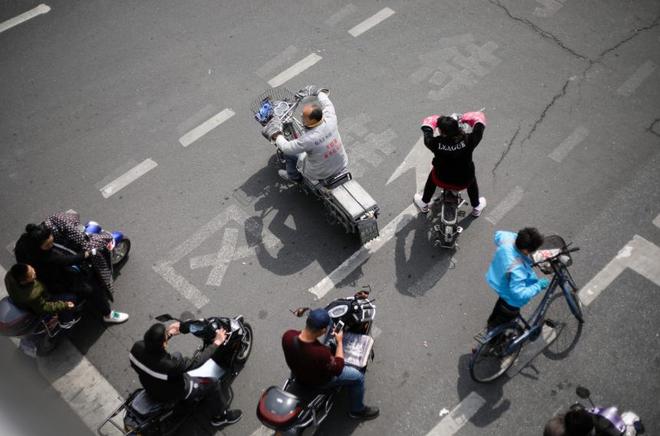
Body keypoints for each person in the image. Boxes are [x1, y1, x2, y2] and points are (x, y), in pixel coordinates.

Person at [129, 322, 242, 428]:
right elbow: (196, 362)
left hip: (150, 387)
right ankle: (221, 416)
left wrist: (169, 334)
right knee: (213, 383)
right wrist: (216, 343)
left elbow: (152, 348)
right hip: (176, 392)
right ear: (164, 343)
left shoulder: (135, 350)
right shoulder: (172, 364)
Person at [14, 223, 128, 324]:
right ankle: (107, 314)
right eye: (47, 245)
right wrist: (87, 254)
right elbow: (68, 260)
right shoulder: (48, 257)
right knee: (91, 288)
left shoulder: (23, 244)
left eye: (51, 240)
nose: (51, 245)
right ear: (38, 246)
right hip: (54, 282)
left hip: (35, 274)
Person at [281, 308, 379, 420]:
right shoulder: (321, 353)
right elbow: (338, 366)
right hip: (320, 381)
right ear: (323, 331)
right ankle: (357, 410)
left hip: (298, 373)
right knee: (358, 378)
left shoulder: (288, 336)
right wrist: (340, 341)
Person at [262, 85, 348, 183]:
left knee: (289, 154)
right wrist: (319, 92)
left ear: (310, 122)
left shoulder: (308, 139)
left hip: (320, 173)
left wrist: (276, 134)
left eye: (304, 116)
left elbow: (287, 147)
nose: (301, 115)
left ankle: (294, 177)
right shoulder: (330, 118)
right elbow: (327, 103)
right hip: (342, 163)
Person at [413, 112, 487, 216]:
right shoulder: (468, 140)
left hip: (440, 179)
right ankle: (476, 206)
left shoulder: (436, 143)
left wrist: (430, 124)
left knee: (433, 175)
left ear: (441, 132)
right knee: (471, 178)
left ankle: (424, 203)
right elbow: (479, 126)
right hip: (464, 181)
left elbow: (427, 134)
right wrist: (467, 119)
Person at [485, 228, 549, 329]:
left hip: (499, 281)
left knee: (497, 314)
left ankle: (491, 326)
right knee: (503, 321)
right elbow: (519, 293)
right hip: (511, 300)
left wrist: (520, 239)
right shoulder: (517, 267)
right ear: (525, 250)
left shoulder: (508, 239)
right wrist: (538, 285)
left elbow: (498, 235)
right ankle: (494, 341)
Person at [4, 263, 78, 326]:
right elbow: (44, 307)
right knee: (71, 298)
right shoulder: (32, 296)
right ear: (24, 282)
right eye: (32, 275)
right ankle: (65, 321)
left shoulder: (10, 276)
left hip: (23, 299)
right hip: (42, 301)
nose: (34, 272)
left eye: (32, 269)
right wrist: (64, 305)